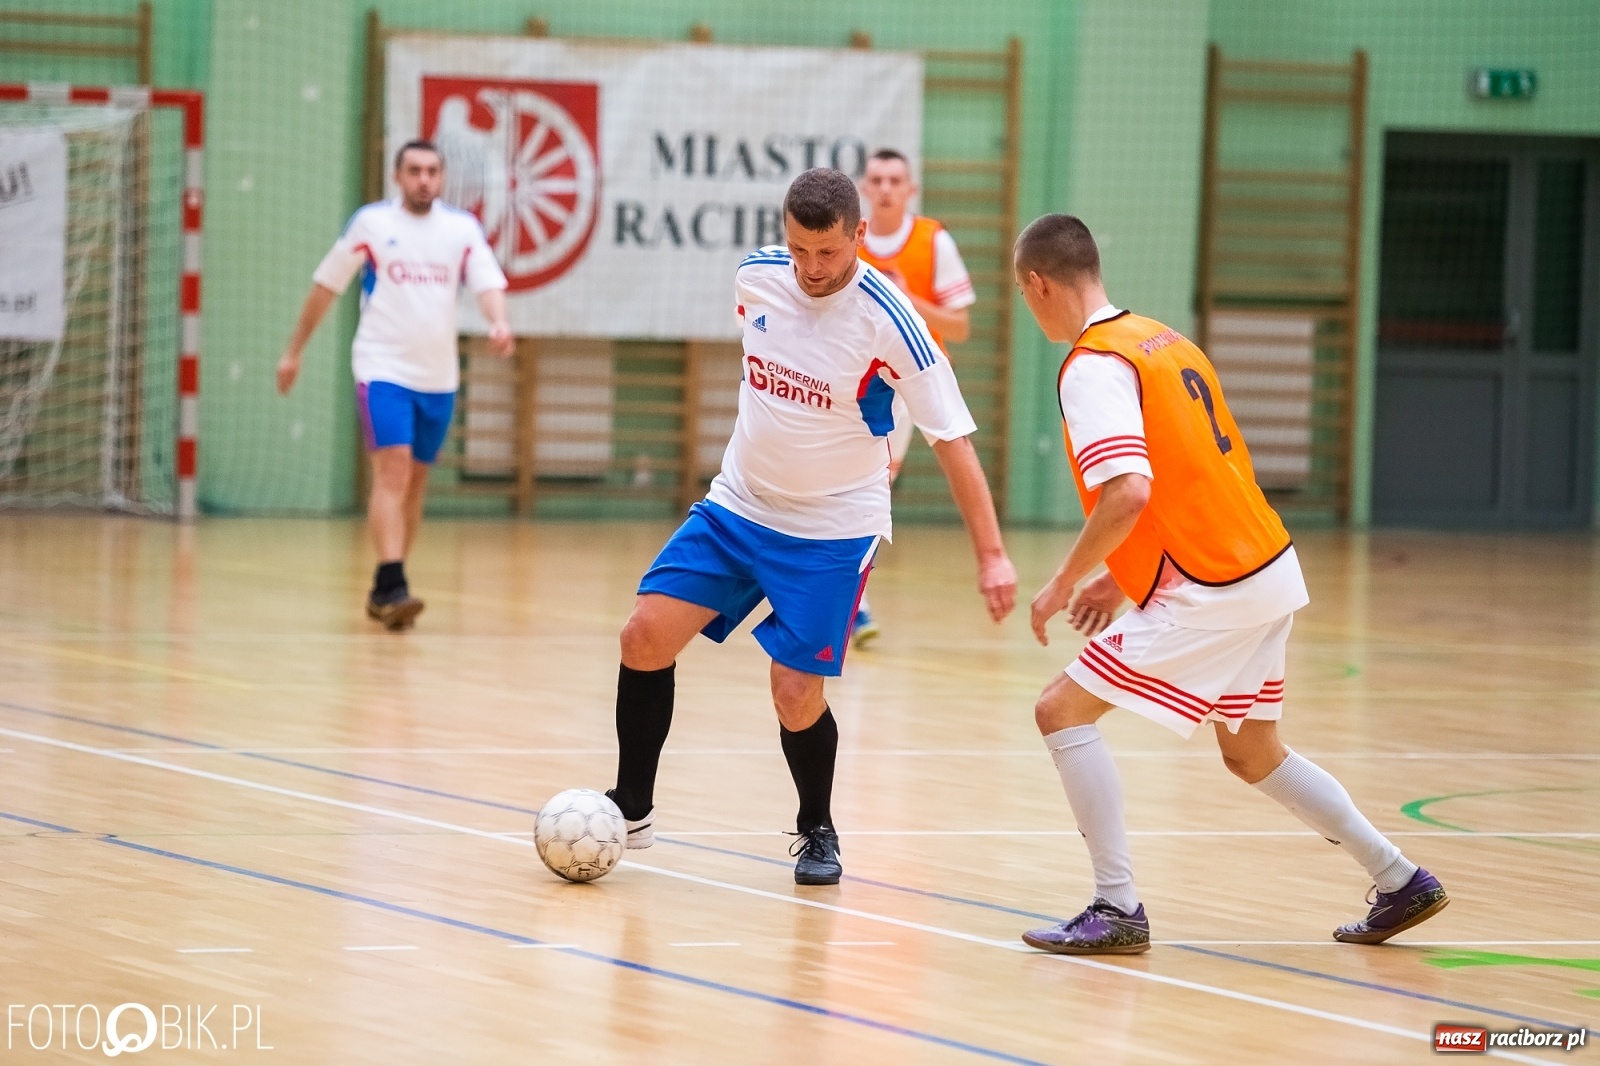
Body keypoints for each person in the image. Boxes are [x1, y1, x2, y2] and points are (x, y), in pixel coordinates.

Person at [1012, 213, 1447, 954]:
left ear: (1038, 284)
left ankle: (1117, 908)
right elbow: (1194, 478)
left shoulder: (1091, 366)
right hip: (1266, 564)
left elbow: (1128, 492)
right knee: (1252, 752)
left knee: (1060, 711)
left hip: (1213, 586)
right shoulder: (1161, 340)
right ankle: (1400, 878)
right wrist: (1120, 582)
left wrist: (1062, 581)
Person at [605, 168, 1016, 885]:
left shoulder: (893, 320)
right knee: (643, 636)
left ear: (858, 236)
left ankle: (816, 826)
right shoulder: (757, 280)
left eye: (827, 253)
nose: (812, 269)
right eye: (799, 250)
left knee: (794, 691)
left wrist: (992, 556)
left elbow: (953, 440)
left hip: (833, 527)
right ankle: (630, 806)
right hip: (739, 504)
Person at [277, 140, 513, 631]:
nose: (423, 179)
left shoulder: (461, 229)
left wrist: (498, 322)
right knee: (394, 471)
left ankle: (388, 588)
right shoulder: (372, 224)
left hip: (438, 376)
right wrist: (294, 350)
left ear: (442, 178)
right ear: (396, 176)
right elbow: (326, 287)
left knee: (416, 482)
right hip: (382, 368)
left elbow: (487, 282)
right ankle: (392, 580)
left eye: (431, 171)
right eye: (414, 171)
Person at [850, 148, 979, 648]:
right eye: (877, 179)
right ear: (865, 187)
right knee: (864, 488)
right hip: (862, 382)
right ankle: (852, 603)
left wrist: (907, 300)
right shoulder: (850, 241)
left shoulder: (932, 240)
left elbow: (961, 326)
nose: (885, 188)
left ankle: (850, 599)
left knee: (875, 488)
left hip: (916, 382)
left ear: (910, 190)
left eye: (894, 180)